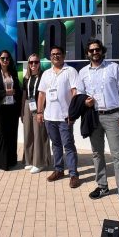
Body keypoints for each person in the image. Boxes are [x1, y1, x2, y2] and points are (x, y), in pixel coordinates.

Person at [77, 38, 119, 210]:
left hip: (113, 116)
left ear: (102, 51)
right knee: (97, 153)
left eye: (97, 49)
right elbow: (79, 93)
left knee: (118, 155)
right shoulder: (83, 72)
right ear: (87, 54)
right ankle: (102, 186)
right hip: (93, 116)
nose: (95, 52)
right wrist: (84, 102)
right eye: (91, 50)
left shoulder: (113, 68)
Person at [37, 45, 81, 188]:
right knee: (55, 145)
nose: (55, 56)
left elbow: (75, 93)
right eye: (53, 54)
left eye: (58, 53)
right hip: (49, 117)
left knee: (68, 145)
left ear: (63, 56)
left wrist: (73, 113)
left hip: (65, 117)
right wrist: (39, 112)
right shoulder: (46, 73)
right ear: (50, 57)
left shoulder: (70, 71)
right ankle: (59, 170)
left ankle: (73, 174)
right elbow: (42, 94)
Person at [0, 50, 22, 171]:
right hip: (0, 108)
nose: (5, 60)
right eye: (3, 58)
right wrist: (5, 92)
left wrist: (16, 93)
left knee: (12, 134)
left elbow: (18, 89)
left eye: (7, 58)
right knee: (1, 134)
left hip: (12, 108)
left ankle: (11, 160)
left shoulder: (13, 72)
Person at [21, 53, 52, 174]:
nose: (33, 64)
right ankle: (29, 160)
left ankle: (39, 163)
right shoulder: (26, 78)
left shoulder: (44, 76)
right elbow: (24, 94)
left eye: (36, 62)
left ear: (39, 63)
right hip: (27, 105)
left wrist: (43, 110)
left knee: (39, 133)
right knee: (28, 133)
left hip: (40, 105)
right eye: (31, 62)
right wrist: (22, 111)